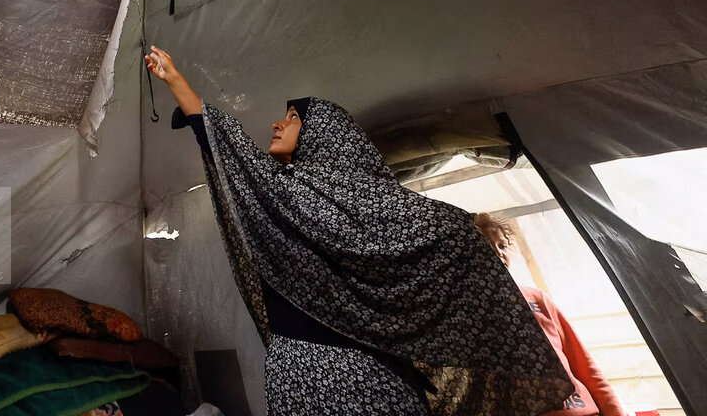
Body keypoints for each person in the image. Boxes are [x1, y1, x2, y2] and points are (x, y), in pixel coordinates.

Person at [143, 45, 573, 416]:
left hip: (333, 374)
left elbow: (236, 154)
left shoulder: (335, 199)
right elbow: (239, 162)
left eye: (292, 118)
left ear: (324, 134)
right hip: (328, 373)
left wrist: (178, 82)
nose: (277, 124)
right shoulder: (290, 200)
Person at [474, 214, 629, 416]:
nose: (498, 253)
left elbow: (584, 365)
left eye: (502, 246)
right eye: (487, 247)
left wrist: (616, 412)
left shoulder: (537, 298)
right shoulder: (467, 315)